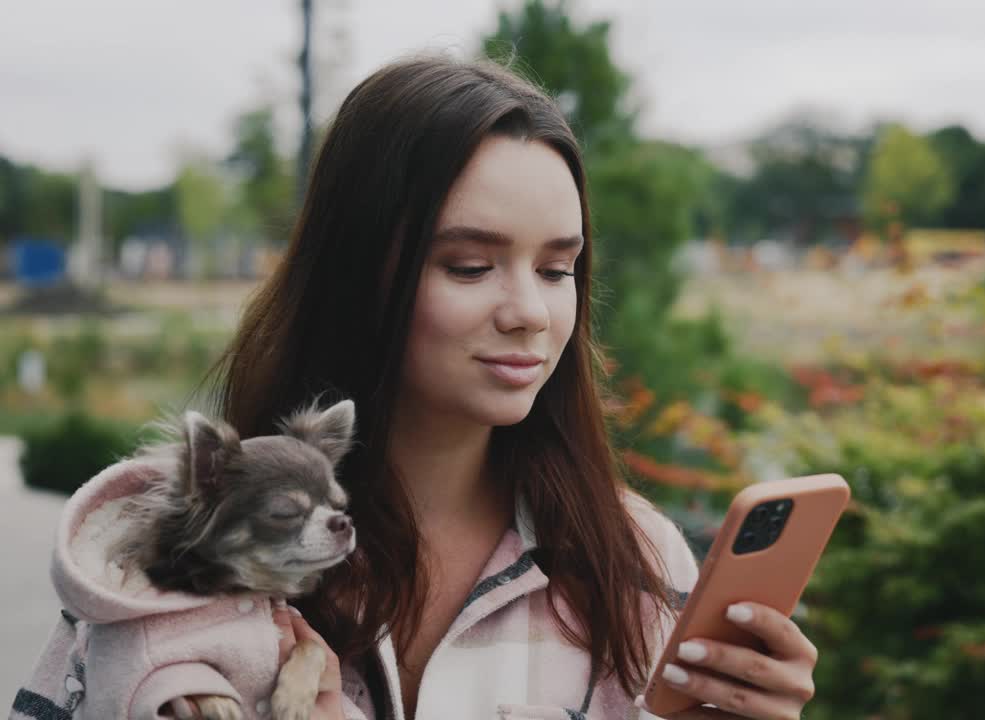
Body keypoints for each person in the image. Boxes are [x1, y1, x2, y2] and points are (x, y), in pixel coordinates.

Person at [14, 54, 819, 720]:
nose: (530, 313)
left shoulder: (633, 561)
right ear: (357, 274)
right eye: (469, 266)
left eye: (557, 269)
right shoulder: (172, 549)